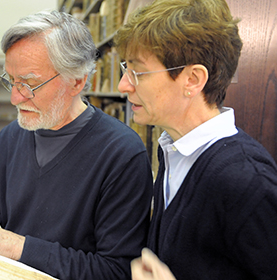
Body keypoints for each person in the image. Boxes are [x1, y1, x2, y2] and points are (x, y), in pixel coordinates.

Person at [0, 10, 153, 280]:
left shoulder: (122, 153)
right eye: (11, 81)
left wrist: (16, 247)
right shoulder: (11, 137)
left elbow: (115, 271)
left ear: (77, 81)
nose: (15, 97)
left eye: (30, 84)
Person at [113, 0, 277, 279]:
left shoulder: (248, 181)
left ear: (192, 79)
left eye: (137, 72)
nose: (123, 85)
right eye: (124, 68)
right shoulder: (174, 151)